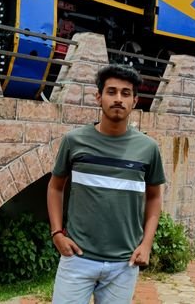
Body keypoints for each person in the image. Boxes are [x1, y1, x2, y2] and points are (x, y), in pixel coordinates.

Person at [47, 64, 166, 304]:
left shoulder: (148, 148)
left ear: (135, 101)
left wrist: (146, 244)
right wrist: (57, 233)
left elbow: (154, 197)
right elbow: (55, 187)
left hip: (124, 263)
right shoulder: (74, 141)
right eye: (111, 92)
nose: (118, 99)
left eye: (125, 93)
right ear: (99, 97)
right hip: (77, 259)